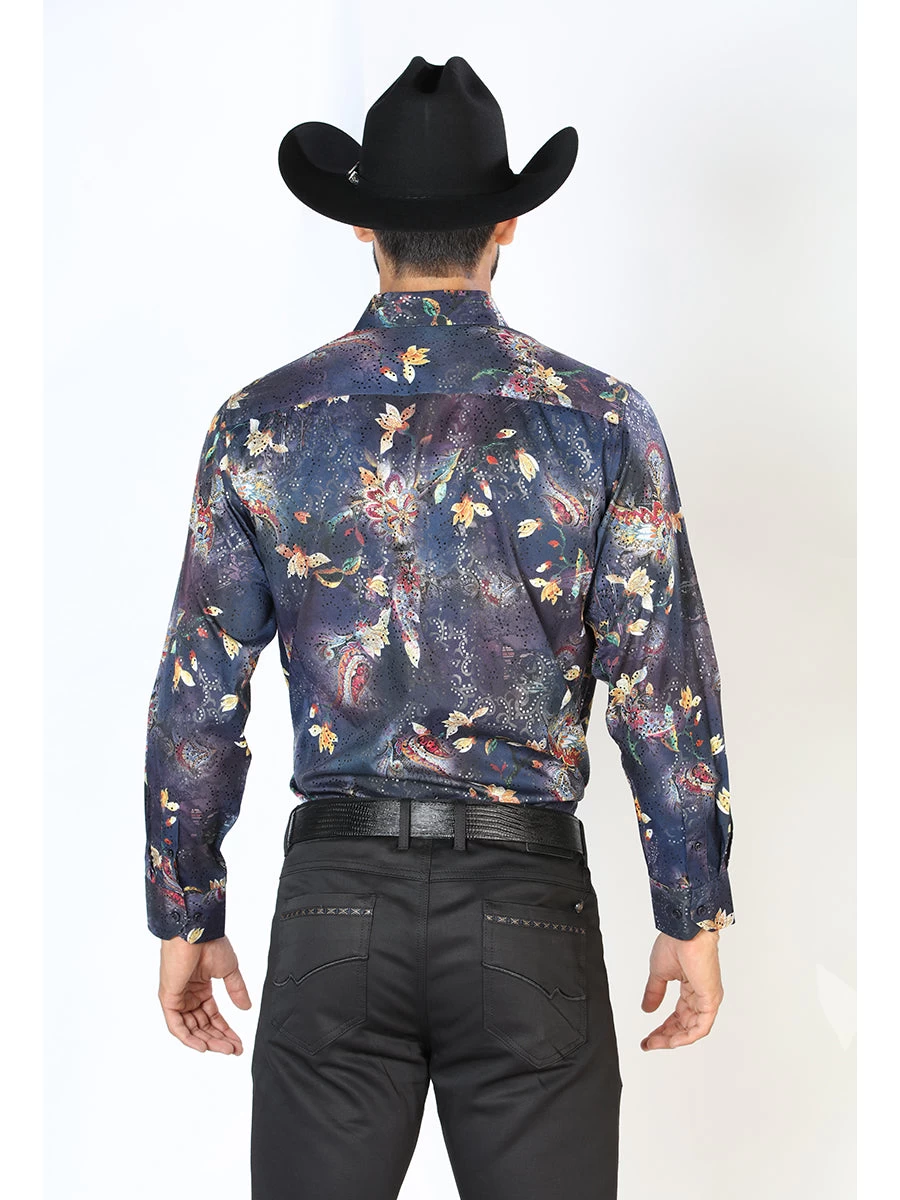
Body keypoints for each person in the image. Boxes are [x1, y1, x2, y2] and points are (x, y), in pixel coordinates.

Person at [144, 54, 735, 1200]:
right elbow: (662, 689)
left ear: (363, 229)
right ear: (506, 224)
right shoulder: (602, 421)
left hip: (335, 904)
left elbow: (198, 691)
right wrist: (691, 911)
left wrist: (187, 909)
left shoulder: (262, 423)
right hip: (527, 909)